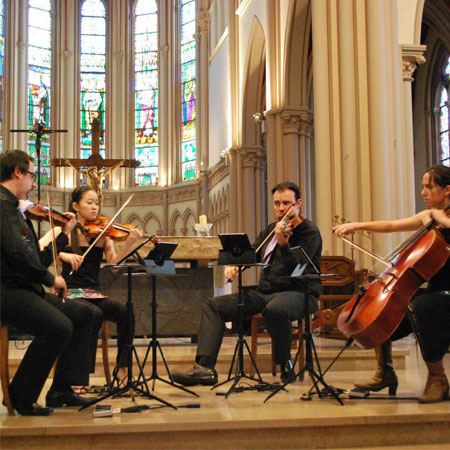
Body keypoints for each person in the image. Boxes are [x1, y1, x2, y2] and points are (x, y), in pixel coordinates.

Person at [173, 181, 322, 386]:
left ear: (299, 204)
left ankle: (285, 364)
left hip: (299, 292)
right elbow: (252, 252)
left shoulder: (308, 232)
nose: (280, 208)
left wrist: (284, 244)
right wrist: (236, 266)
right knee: (214, 306)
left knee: (275, 309)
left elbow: (299, 269)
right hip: (266, 292)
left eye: (286, 203)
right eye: (276, 203)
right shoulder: (271, 229)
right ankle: (204, 367)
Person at [333, 164, 450, 403]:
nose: (423, 192)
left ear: (447, 190)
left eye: (429, 187)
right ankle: (385, 372)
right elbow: (390, 225)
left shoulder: (441, 218)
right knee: (388, 307)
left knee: (423, 307)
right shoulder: (428, 217)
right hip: (437, 290)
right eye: (422, 187)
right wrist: (357, 226)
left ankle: (437, 378)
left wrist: (444, 220)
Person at [0, 150, 96, 415]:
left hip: (26, 289)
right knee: (59, 326)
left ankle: (62, 390)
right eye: (32, 175)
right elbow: (19, 257)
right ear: (17, 173)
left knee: (84, 313)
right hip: (8, 292)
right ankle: (21, 396)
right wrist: (51, 278)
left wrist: (64, 235)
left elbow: (36, 259)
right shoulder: (2, 206)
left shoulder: (15, 208)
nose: (34, 182)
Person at [39, 186, 144, 386]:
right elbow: (39, 247)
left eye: (97, 203)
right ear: (75, 206)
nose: (95, 207)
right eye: (89, 202)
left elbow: (113, 266)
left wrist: (129, 244)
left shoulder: (103, 234)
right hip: (69, 294)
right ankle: (79, 377)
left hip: (93, 293)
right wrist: (63, 254)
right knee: (90, 313)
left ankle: (122, 369)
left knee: (125, 311)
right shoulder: (62, 231)